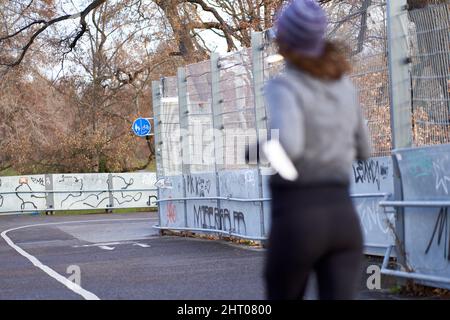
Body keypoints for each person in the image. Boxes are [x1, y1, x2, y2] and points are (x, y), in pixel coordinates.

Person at [263, 0, 371, 300]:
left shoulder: (284, 86)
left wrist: (252, 149)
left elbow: (289, 145)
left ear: (285, 41)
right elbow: (365, 148)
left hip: (298, 216)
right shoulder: (345, 86)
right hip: (343, 218)